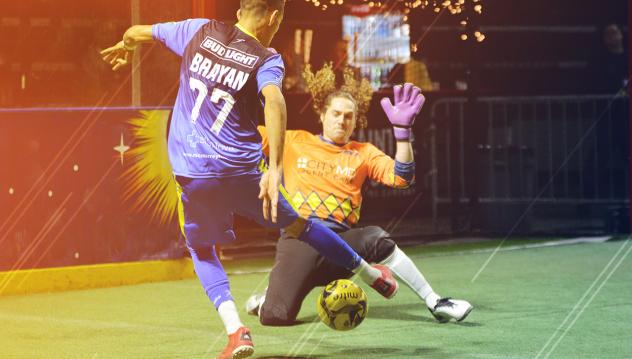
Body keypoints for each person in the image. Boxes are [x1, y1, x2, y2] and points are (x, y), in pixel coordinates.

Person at [100, 1, 397, 358]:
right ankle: (370, 274)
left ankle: (237, 332)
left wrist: (126, 45)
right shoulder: (266, 57)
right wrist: (273, 170)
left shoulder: (198, 29)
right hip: (243, 174)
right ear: (273, 17)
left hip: (195, 174)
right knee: (299, 226)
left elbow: (136, 32)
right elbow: (274, 101)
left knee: (201, 248)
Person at [245, 64, 473, 326]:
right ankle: (269, 299)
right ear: (321, 114)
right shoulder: (293, 140)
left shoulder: (363, 153)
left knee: (376, 238)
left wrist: (402, 134)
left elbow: (402, 178)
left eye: (349, 116)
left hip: (341, 247)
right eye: (336, 114)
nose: (342, 120)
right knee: (275, 317)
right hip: (299, 242)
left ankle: (436, 302)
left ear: (356, 121)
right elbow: (240, 134)